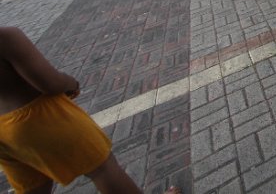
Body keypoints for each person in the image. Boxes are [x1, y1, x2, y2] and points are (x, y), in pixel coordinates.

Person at [0, 26, 180, 194]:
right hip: (35, 120)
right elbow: (50, 83)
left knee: (33, 185)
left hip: (4, 135)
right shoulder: (6, 37)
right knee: (102, 169)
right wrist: (70, 83)